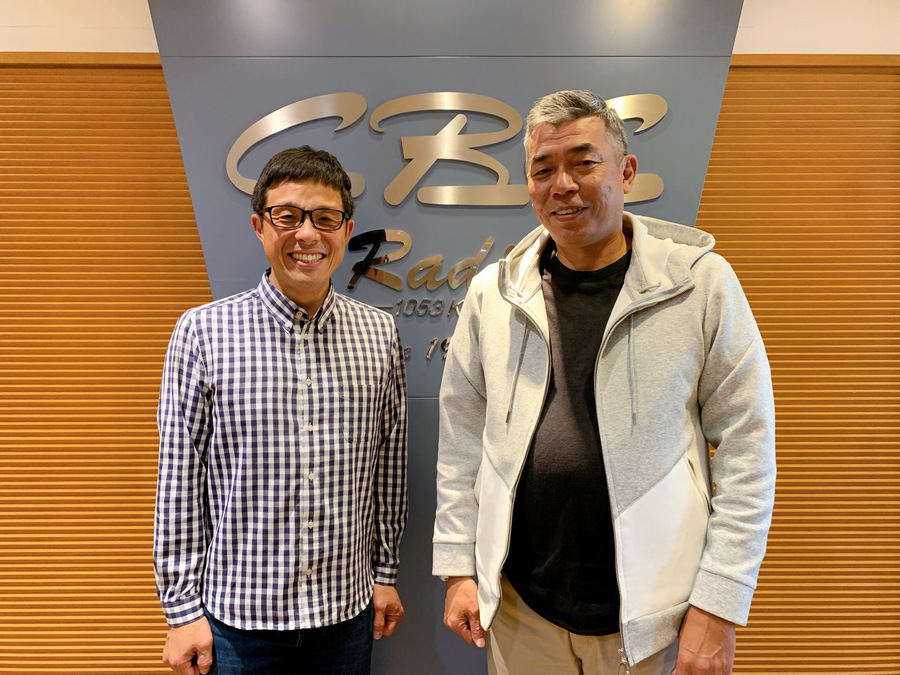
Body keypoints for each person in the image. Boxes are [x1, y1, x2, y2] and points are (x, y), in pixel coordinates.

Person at [433, 90, 776, 675]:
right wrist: (459, 567)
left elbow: (749, 449)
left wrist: (720, 604)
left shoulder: (699, 284)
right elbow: (462, 437)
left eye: (584, 163)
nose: (562, 185)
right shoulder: (494, 292)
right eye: (543, 170)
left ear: (627, 172)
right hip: (519, 608)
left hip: (652, 618)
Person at [154, 146, 408, 675]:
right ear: (259, 227)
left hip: (346, 614)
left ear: (346, 229)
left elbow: (389, 465)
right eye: (288, 216)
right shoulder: (203, 333)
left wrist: (385, 572)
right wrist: (181, 612)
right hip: (237, 623)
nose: (307, 234)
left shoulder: (379, 333)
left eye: (325, 218)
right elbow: (179, 478)